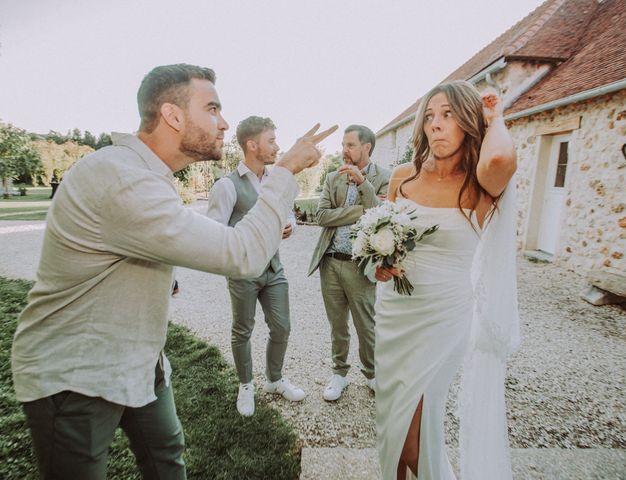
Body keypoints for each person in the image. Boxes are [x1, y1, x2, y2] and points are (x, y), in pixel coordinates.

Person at [11, 63, 336, 480]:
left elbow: (142, 242)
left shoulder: (146, 175)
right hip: (77, 373)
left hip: (144, 359)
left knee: (167, 458)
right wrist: (286, 171)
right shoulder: (121, 177)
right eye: (213, 109)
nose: (224, 123)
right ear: (173, 116)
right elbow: (241, 253)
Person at [374, 80, 518, 479]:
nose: (436, 124)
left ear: (469, 123)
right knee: (392, 419)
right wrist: (381, 265)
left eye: (449, 115)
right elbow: (386, 243)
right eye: (430, 115)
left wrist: (496, 118)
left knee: (412, 436)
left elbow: (502, 159)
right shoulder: (403, 177)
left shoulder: (481, 184)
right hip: (395, 313)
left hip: (444, 316)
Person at [208, 116, 305, 417]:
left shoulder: (278, 179)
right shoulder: (227, 186)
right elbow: (214, 234)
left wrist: (288, 226)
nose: (277, 147)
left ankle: (274, 380)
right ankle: (246, 385)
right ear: (252, 145)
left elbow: (289, 216)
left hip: (274, 268)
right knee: (243, 330)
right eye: (271, 141)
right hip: (243, 273)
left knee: (282, 326)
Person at [308, 125, 391, 401]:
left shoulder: (384, 178)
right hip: (330, 261)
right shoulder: (333, 177)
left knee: (366, 324)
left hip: (361, 265)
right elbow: (320, 216)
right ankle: (339, 375)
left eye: (351, 145)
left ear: (367, 147)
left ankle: (372, 374)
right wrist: (360, 210)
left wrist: (363, 185)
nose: (344, 150)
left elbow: (382, 216)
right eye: (343, 144)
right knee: (337, 325)